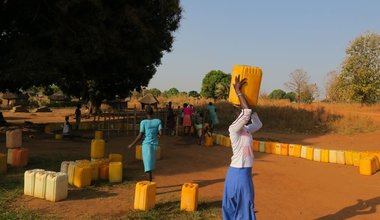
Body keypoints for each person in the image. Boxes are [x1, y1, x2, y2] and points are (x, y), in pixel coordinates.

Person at [222, 75, 263, 220]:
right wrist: (239, 92)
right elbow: (246, 113)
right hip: (239, 173)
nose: (243, 110)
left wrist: (252, 107)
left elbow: (258, 124)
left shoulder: (246, 129)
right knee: (243, 207)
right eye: (239, 109)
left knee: (243, 206)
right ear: (236, 114)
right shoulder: (233, 129)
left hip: (243, 173)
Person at [128, 106, 162, 182]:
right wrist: (157, 133)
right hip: (154, 146)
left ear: (145, 113)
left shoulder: (143, 122)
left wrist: (132, 144)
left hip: (146, 145)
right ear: (152, 112)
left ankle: (149, 185)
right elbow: (160, 133)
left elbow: (140, 136)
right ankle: (150, 183)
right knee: (150, 165)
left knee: (147, 167)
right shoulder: (158, 121)